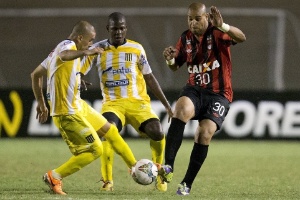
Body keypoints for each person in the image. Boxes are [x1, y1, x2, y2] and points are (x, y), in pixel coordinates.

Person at [31, 20, 138, 195]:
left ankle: (135, 167)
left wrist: (42, 105)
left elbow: (35, 75)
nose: (91, 43)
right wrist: (88, 51)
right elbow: (65, 55)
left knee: (110, 131)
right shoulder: (68, 46)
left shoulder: (55, 52)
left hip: (78, 104)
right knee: (96, 149)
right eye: (90, 40)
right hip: (67, 113)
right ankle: (55, 176)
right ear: (80, 38)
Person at [80, 12, 173, 192]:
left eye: (122, 28)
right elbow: (79, 71)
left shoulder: (136, 49)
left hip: (138, 103)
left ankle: (159, 174)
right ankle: (107, 181)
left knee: (158, 132)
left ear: (126, 29)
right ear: (108, 29)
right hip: (113, 104)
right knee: (109, 131)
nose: (118, 32)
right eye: (115, 28)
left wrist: (167, 106)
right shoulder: (97, 50)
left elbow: (150, 77)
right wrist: (79, 78)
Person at [162, 3, 246, 195]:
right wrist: (170, 59)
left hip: (219, 94)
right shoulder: (185, 38)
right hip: (195, 90)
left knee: (204, 133)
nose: (193, 23)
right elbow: (176, 66)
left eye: (197, 18)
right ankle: (168, 166)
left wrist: (223, 25)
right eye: (189, 19)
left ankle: (186, 183)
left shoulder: (217, 32)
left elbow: (241, 37)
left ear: (206, 17)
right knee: (180, 109)